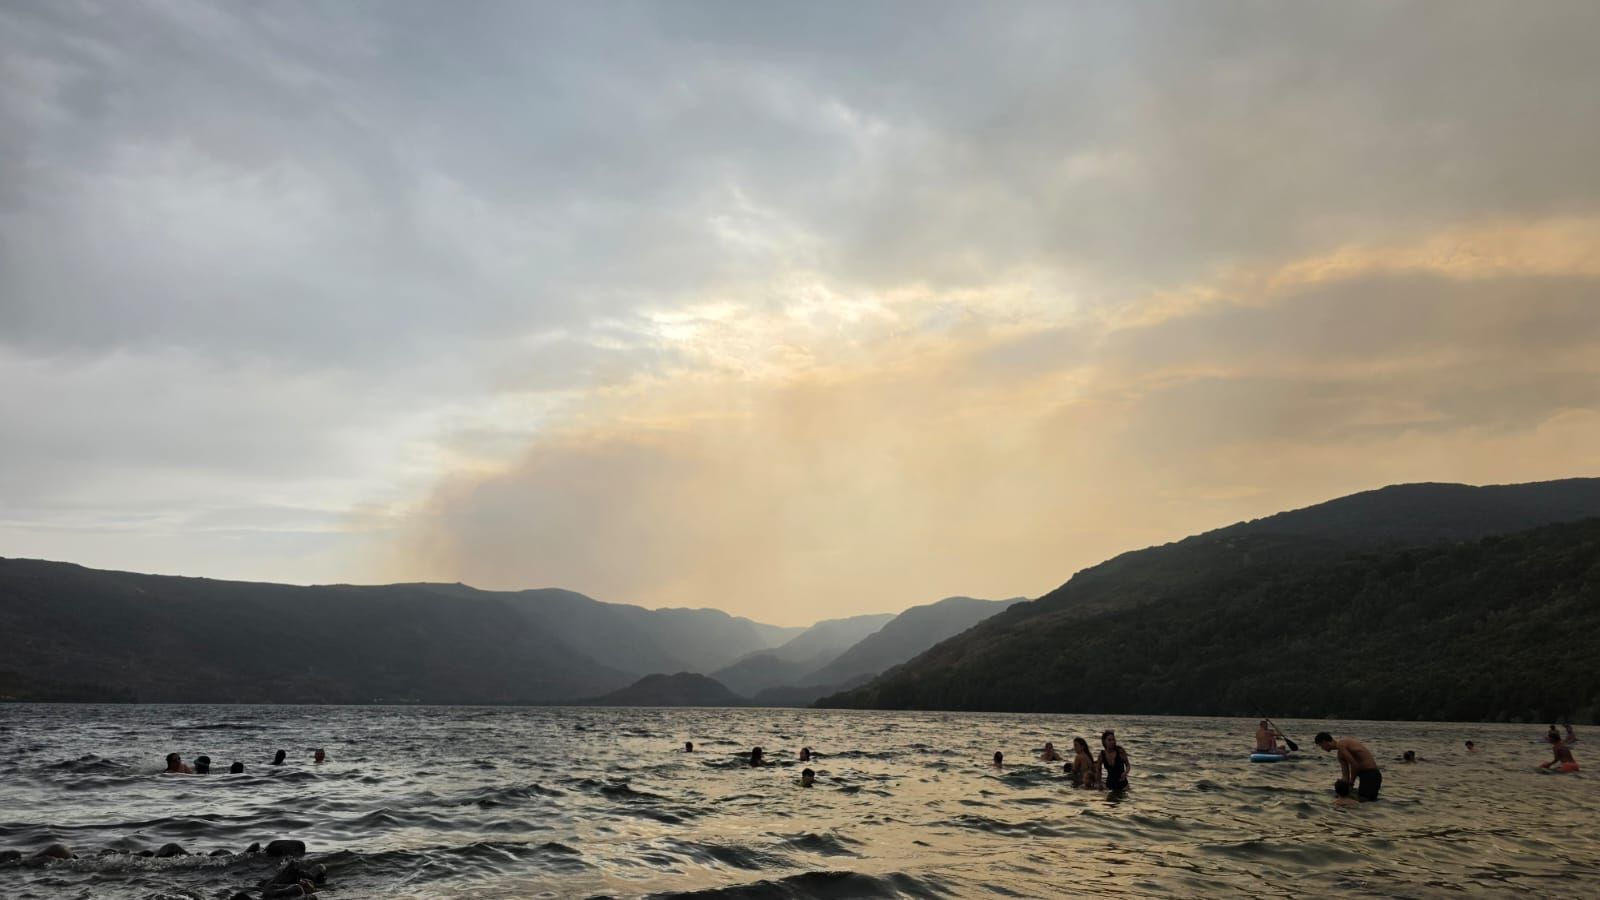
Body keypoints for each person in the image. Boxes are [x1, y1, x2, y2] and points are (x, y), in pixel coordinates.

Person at [1315, 732, 1381, 801]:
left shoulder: (1341, 744)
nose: (1322, 748)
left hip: (1371, 774)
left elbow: (1355, 765)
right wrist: (1341, 792)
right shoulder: (1340, 755)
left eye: (1321, 745)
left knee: (1365, 801)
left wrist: (1351, 783)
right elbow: (1345, 776)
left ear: (1324, 742)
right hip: (1364, 776)